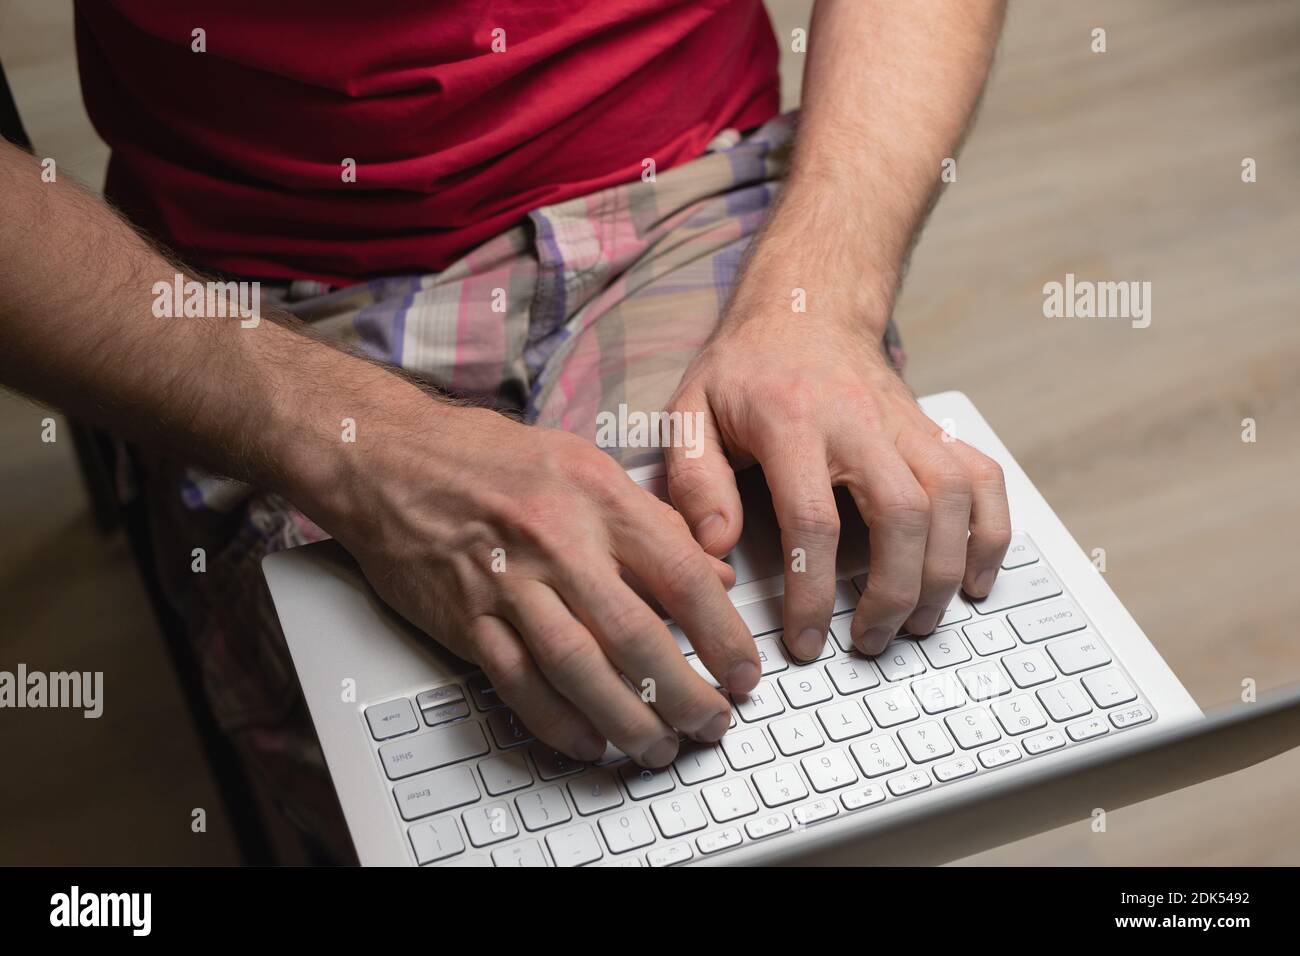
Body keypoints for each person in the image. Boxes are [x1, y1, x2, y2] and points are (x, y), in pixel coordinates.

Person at [0, 0, 1010, 853]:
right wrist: (358, 447)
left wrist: (818, 295)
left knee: (779, 743)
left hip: (683, 181)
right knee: (462, 785)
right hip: (260, 295)